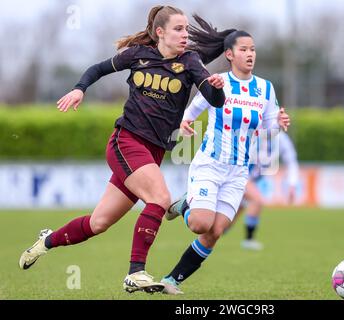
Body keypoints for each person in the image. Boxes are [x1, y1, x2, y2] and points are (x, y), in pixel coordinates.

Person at [18, 5, 227, 294]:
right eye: (178, 29)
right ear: (160, 32)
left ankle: (47, 240)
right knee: (159, 197)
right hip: (126, 142)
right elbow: (98, 69)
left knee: (98, 223)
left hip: (152, 152)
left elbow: (215, 100)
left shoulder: (190, 61)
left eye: (186, 30)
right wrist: (80, 88)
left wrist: (216, 87)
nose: (184, 35)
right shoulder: (138, 55)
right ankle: (136, 273)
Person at [159, 16, 290, 294]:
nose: (250, 54)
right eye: (243, 49)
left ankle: (172, 280)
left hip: (239, 172)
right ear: (229, 54)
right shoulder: (217, 82)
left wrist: (278, 124)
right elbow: (190, 112)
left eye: (253, 49)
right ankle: (185, 206)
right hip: (210, 163)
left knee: (215, 231)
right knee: (199, 223)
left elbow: (268, 130)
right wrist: (184, 123)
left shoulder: (266, 89)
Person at [239, 130, 300, 251]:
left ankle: (246, 239)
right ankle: (248, 240)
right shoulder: (252, 131)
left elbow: (291, 161)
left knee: (222, 226)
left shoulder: (281, 139)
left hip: (252, 179)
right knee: (257, 200)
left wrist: (292, 185)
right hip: (239, 175)